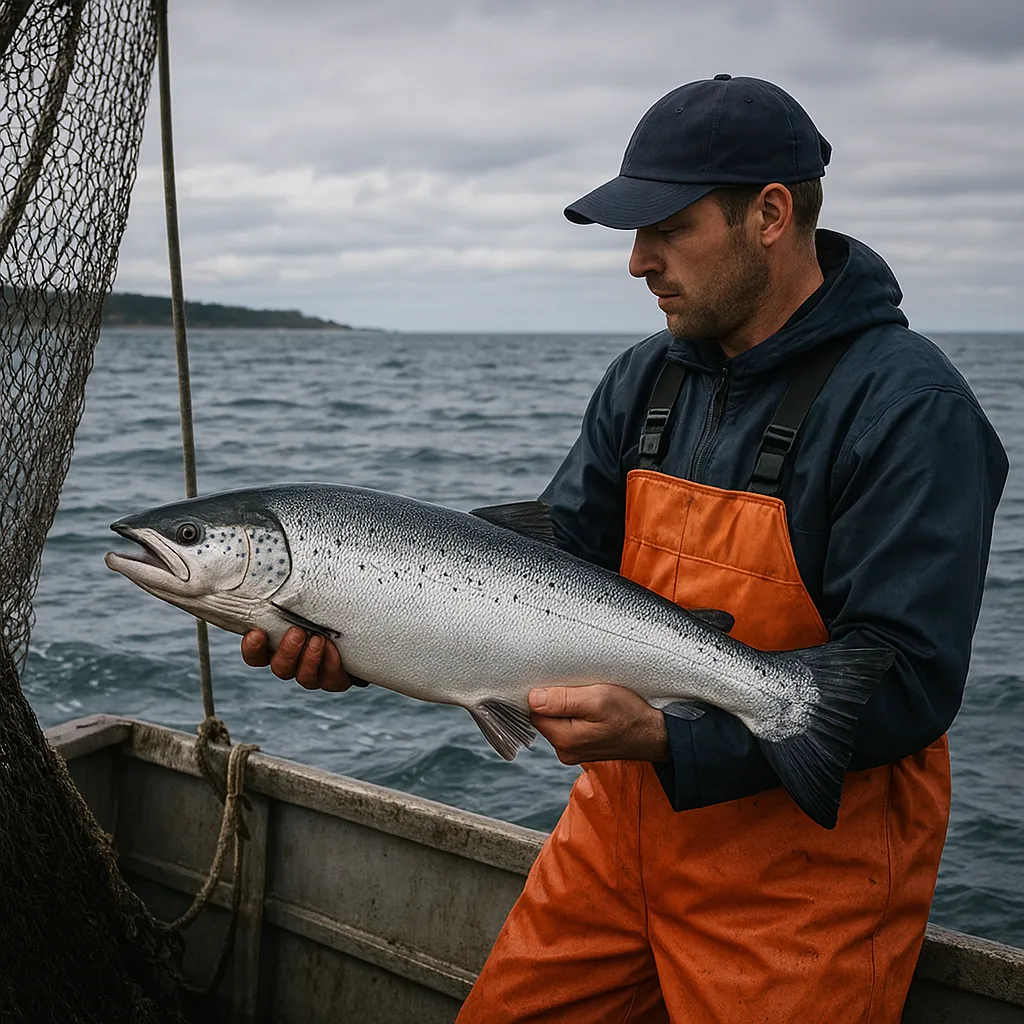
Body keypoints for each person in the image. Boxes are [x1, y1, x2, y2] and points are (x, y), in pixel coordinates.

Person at [241, 75, 1008, 1023]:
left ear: (769, 214)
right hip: (612, 839)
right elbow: (556, 560)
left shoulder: (908, 412)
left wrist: (664, 734)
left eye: (667, 229)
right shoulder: (645, 380)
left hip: (798, 888)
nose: (638, 262)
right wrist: (368, 633)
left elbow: (907, 678)